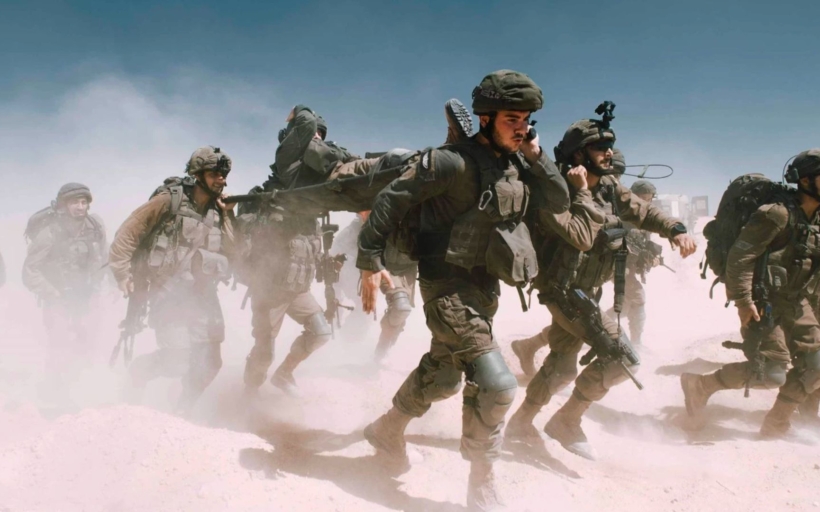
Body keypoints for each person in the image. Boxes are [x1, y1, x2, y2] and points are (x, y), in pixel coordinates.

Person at [356, 70, 569, 510]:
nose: (522, 128)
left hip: (483, 290)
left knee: (444, 376)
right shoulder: (451, 162)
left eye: (526, 120)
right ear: (485, 118)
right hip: (445, 288)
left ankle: (387, 429)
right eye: (512, 119)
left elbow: (560, 201)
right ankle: (482, 484)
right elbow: (392, 199)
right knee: (498, 385)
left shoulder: (516, 164)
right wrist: (369, 260)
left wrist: (537, 156)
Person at [505, 113, 696, 461]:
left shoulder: (608, 187)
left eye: (610, 146)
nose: (609, 153)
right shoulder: (557, 190)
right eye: (600, 147)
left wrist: (675, 228)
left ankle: (520, 422)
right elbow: (580, 236)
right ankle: (567, 421)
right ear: (579, 154)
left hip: (586, 292)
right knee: (624, 360)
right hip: (564, 292)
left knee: (561, 367)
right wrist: (580, 192)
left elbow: (642, 211)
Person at [681, 149, 820, 436]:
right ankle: (701, 385)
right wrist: (743, 302)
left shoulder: (817, 218)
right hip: (763, 301)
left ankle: (776, 425)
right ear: (806, 180)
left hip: (796, 300)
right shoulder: (776, 214)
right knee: (770, 372)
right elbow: (740, 258)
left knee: (815, 365)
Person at [242, 105, 364, 397]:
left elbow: (309, 245)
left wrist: (327, 264)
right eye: (312, 135)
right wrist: (301, 112)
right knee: (264, 352)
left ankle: (284, 375)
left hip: (297, 289)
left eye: (321, 135)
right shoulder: (284, 177)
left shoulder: (310, 201)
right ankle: (248, 395)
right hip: (270, 289)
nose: (317, 139)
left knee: (321, 332)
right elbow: (305, 123)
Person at [109, 146, 238, 414]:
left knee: (211, 364)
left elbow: (236, 252)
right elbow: (127, 234)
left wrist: (228, 214)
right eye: (214, 174)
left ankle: (181, 413)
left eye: (224, 175)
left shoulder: (218, 210)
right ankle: (138, 373)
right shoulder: (169, 201)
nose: (221, 179)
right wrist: (122, 274)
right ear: (198, 175)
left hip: (204, 295)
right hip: (168, 293)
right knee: (177, 360)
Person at [23, 183, 107, 402]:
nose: (80, 207)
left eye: (84, 202)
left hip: (86, 297)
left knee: (87, 342)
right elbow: (30, 271)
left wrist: (105, 286)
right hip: (58, 299)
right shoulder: (50, 232)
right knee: (59, 344)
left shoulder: (94, 227)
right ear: (64, 205)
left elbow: (104, 258)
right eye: (74, 203)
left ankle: (80, 391)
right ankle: (53, 394)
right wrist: (53, 294)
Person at [603, 179, 661, 345]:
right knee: (638, 297)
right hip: (617, 265)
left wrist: (652, 257)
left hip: (629, 267)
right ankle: (636, 344)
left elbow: (643, 244)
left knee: (627, 305)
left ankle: (597, 326)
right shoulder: (621, 214)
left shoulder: (644, 217)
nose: (645, 202)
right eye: (642, 198)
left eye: (649, 199)